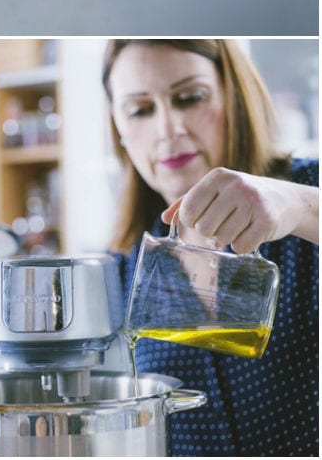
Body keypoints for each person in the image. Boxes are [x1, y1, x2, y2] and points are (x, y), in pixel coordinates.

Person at [102, 39, 318, 457]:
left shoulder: (306, 197)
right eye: (140, 110)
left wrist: (297, 206)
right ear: (119, 131)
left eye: (189, 98)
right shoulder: (125, 268)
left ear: (233, 97)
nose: (169, 129)